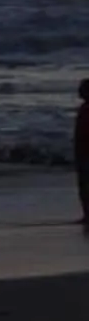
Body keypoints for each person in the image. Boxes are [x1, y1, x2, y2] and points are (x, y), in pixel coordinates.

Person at [73, 79, 88, 233]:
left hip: (85, 154)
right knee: (83, 186)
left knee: (85, 186)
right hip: (82, 153)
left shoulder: (86, 110)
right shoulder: (83, 109)